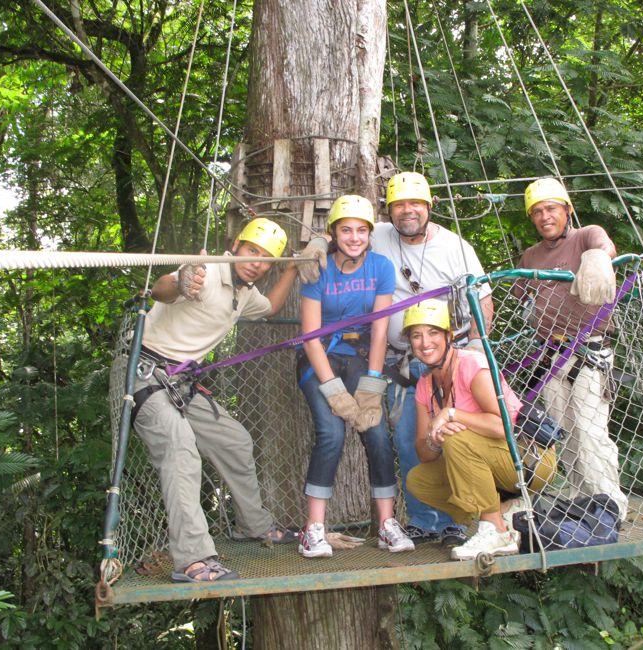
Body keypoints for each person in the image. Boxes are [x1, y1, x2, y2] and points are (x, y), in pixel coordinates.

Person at [299, 171, 494, 547]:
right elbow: (343, 231)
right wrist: (316, 244)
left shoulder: (456, 247)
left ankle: (455, 521)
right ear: (389, 210)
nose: (408, 211)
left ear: (430, 206)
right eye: (400, 204)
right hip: (401, 361)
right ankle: (421, 521)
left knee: (453, 437)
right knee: (409, 442)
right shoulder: (379, 235)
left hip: (448, 359)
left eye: (416, 203)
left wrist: (473, 346)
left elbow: (482, 299)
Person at [131, 217, 301, 583]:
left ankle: (252, 525)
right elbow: (165, 289)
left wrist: (290, 270)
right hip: (143, 373)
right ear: (236, 246)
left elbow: (269, 307)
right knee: (180, 450)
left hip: (180, 382)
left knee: (234, 439)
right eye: (251, 251)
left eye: (265, 258)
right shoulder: (206, 272)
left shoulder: (244, 292)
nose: (255, 261)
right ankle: (193, 561)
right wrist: (181, 280)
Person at [296, 194, 414, 559]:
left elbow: (379, 332)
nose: (355, 237)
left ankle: (385, 524)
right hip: (320, 358)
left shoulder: (380, 268)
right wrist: (332, 389)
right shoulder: (318, 269)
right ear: (333, 233)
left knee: (376, 431)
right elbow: (311, 336)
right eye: (346, 230)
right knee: (330, 433)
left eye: (362, 230)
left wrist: (371, 385)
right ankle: (313, 528)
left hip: (361, 357)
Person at [513, 177, 629, 519]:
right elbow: (520, 294)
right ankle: (583, 502)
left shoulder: (585, 235)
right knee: (566, 435)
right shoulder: (532, 255)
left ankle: (611, 506)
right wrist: (532, 304)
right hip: (550, 354)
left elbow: (605, 245)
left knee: (592, 433)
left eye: (551, 208)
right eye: (536, 212)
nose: (544, 216)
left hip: (589, 351)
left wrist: (596, 258)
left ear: (566, 209)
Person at [404, 300, 554, 560]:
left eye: (433, 333)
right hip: (490, 460)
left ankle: (494, 530)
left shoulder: (472, 365)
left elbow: (502, 426)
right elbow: (424, 453)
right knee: (419, 479)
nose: (425, 342)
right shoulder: (425, 386)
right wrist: (434, 440)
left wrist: (450, 414)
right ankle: (504, 509)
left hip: (529, 456)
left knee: (457, 437)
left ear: (448, 336)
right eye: (416, 335)